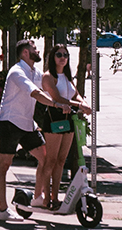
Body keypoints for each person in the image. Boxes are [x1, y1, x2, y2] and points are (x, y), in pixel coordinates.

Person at [0, 39, 71, 222]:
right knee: (4, 165)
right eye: (34, 48)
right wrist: (56, 104)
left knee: (46, 159)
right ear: (25, 53)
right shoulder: (17, 72)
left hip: (27, 125)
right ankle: (3, 210)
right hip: (10, 123)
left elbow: (47, 87)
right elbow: (35, 93)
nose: (37, 50)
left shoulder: (36, 72)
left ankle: (37, 199)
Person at [38, 45, 91, 210]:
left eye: (65, 55)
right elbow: (57, 97)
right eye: (59, 54)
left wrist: (83, 103)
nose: (62, 57)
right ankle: (46, 198)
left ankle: (55, 197)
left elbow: (75, 94)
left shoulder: (67, 76)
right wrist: (79, 105)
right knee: (51, 160)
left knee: (62, 160)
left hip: (68, 119)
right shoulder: (48, 77)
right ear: (52, 57)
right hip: (54, 118)